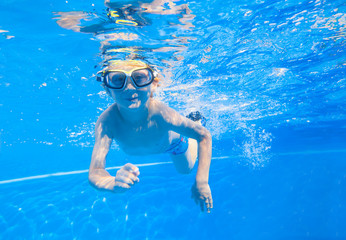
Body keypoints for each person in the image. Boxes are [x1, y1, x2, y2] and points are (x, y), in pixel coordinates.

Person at [88, 59, 213, 213]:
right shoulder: (107, 123)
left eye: (139, 78)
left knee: (185, 170)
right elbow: (95, 171)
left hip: (175, 144)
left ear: (153, 84)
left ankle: (196, 120)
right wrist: (111, 183)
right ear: (107, 89)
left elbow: (204, 136)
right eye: (118, 79)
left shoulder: (161, 113)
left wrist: (202, 182)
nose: (128, 87)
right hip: (160, 144)